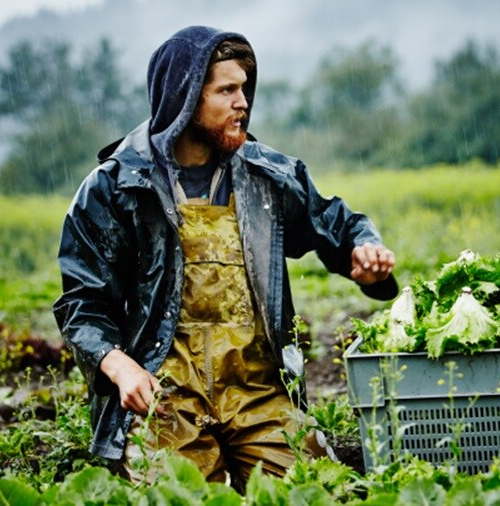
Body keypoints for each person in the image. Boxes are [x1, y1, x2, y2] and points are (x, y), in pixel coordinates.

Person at [53, 25, 397, 489]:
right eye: (227, 90)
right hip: (165, 397)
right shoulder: (116, 187)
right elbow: (82, 304)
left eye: (245, 89)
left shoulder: (267, 176)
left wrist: (363, 251)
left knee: (313, 493)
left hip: (259, 391)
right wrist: (117, 364)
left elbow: (336, 223)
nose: (243, 102)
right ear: (186, 97)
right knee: (179, 498)